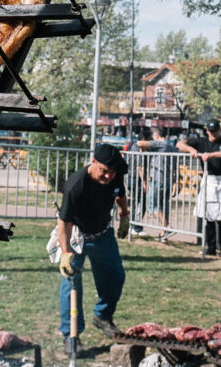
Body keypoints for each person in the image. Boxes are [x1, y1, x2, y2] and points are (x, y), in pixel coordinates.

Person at [55, 144, 130, 351]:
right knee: (71, 284)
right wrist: (65, 253)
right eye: (104, 170)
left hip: (103, 235)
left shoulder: (115, 175)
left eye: (112, 172)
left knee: (116, 276)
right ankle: (71, 335)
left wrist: (124, 216)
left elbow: (120, 194)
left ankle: (102, 315)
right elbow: (64, 223)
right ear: (94, 162)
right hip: (76, 236)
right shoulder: (76, 184)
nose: (108, 176)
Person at [177, 119, 221, 259]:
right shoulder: (201, 141)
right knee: (207, 215)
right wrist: (192, 150)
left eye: (216, 131)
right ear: (207, 131)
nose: (213, 133)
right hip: (208, 180)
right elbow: (180, 143)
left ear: (219, 130)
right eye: (211, 131)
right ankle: (211, 246)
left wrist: (212, 155)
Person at [137, 127, 177, 240]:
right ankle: (164, 232)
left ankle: (167, 227)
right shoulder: (172, 147)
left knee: (151, 206)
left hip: (157, 179)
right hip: (168, 180)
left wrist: (145, 145)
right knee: (164, 207)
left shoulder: (161, 144)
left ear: (156, 136)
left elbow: (139, 143)